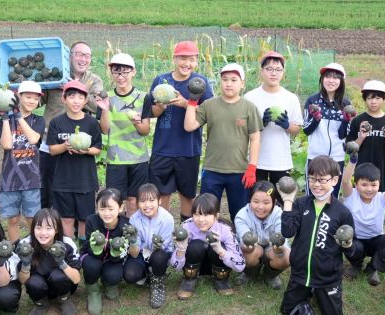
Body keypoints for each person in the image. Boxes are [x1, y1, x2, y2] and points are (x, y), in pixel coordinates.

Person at [279, 156, 358, 315]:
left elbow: (354, 252)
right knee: (286, 311)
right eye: (312, 179)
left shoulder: (342, 212)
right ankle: (307, 292)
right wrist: (287, 201)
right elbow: (287, 232)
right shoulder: (301, 204)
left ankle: (319, 293)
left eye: (322, 180)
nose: (316, 184)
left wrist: (348, 245)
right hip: (300, 274)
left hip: (327, 278)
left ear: (335, 180)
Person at [145, 40, 214, 223]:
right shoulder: (161, 81)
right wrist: (160, 106)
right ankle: (164, 232)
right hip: (163, 148)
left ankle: (186, 230)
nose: (187, 63)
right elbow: (152, 112)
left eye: (191, 59)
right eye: (183, 58)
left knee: (187, 194)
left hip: (189, 149)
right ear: (174, 59)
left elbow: (208, 113)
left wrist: (186, 103)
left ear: (197, 61)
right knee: (162, 194)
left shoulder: (201, 83)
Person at [184, 63, 262, 220]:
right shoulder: (209, 105)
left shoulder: (249, 108)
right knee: (207, 212)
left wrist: (252, 168)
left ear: (242, 84)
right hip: (212, 170)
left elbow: (255, 138)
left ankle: (239, 243)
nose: (228, 83)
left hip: (239, 171)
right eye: (225, 79)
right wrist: (192, 101)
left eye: (234, 80)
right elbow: (189, 126)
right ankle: (208, 243)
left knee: (240, 215)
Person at [40, 41, 104, 209]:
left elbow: (99, 107)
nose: (83, 59)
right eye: (79, 54)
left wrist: (76, 88)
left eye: (87, 56)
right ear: (70, 56)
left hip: (79, 142)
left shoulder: (94, 80)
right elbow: (38, 100)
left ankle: (75, 227)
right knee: (48, 187)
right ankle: (49, 227)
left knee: (76, 188)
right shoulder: (56, 76)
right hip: (51, 140)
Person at [46, 80, 103, 242]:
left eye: (80, 97)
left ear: (85, 101)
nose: (76, 101)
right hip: (63, 180)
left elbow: (97, 149)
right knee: (67, 218)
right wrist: (65, 146)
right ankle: (69, 248)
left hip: (85, 180)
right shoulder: (57, 122)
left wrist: (86, 150)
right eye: (72, 97)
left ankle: (84, 247)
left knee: (85, 218)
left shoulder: (91, 123)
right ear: (64, 99)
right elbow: (52, 150)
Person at [340, 147, 385, 284]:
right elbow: (345, 181)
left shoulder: (382, 198)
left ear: (379, 184)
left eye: (373, 185)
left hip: (375, 240)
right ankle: (356, 265)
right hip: (356, 239)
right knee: (348, 243)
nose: (369, 189)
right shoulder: (351, 196)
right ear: (356, 185)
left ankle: (372, 268)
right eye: (364, 185)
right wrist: (353, 159)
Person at [244, 51, 303, 204]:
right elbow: (243, 129)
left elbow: (296, 129)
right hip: (257, 161)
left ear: (283, 72)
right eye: (269, 69)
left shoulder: (290, 98)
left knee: (283, 201)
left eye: (278, 70)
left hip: (281, 160)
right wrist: (260, 124)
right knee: (257, 201)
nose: (273, 73)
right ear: (261, 71)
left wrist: (286, 125)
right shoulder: (250, 97)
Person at [98, 53, 152, 216]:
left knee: (134, 200)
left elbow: (145, 130)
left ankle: (132, 234)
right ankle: (118, 237)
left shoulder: (144, 97)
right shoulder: (106, 97)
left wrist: (136, 122)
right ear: (112, 74)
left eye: (125, 72)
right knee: (115, 200)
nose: (120, 77)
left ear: (133, 72)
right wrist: (105, 109)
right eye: (116, 72)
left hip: (138, 158)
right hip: (116, 159)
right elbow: (104, 129)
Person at [0, 80, 45, 241]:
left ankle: (34, 248)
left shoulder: (38, 120)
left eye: (35, 98)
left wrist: (18, 116)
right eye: (27, 97)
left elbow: (33, 139)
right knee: (13, 219)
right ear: (18, 96)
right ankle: (15, 248)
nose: (31, 101)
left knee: (32, 219)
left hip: (31, 178)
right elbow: (7, 145)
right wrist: (5, 118)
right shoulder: (5, 121)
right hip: (9, 178)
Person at [171, 193, 245, 299]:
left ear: (216, 215)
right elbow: (175, 266)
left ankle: (221, 279)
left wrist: (221, 251)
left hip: (216, 263)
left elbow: (240, 265)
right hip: (194, 265)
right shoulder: (186, 227)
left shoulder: (225, 229)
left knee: (218, 245)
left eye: (206, 215)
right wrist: (181, 249)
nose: (201, 219)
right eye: (196, 214)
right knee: (195, 245)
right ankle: (189, 279)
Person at [17, 208, 82, 315]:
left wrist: (62, 263)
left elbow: (76, 279)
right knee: (33, 282)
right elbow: (23, 281)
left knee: (58, 276)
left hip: (61, 283)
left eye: (48, 228)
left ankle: (63, 300)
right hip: (38, 285)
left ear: (56, 229)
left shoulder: (67, 244)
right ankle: (40, 304)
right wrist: (26, 264)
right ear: (33, 229)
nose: (43, 233)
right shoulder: (25, 245)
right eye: (38, 227)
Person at [302, 63, 355, 198]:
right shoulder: (312, 100)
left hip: (337, 157)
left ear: (341, 81)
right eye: (327, 77)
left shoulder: (345, 104)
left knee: (333, 196)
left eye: (336, 78)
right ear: (322, 79)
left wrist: (346, 120)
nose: (331, 80)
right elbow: (306, 130)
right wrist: (316, 119)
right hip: (315, 157)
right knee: (312, 195)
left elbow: (343, 134)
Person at [82, 188, 130, 315]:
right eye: (102, 209)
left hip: (112, 260)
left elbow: (124, 252)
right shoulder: (91, 221)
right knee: (91, 265)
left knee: (114, 276)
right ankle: (93, 290)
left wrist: (115, 253)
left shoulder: (126, 225)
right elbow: (86, 245)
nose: (106, 213)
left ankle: (108, 282)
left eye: (111, 209)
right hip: (93, 257)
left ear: (120, 208)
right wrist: (96, 249)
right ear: (97, 208)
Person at [234, 181, 289, 289]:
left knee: (286, 257)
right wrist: (248, 247)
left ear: (274, 202)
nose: (260, 207)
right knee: (249, 255)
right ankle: (250, 273)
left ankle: (270, 276)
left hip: (272, 247)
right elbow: (244, 243)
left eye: (266, 202)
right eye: (256, 201)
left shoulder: (280, 215)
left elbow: (282, 241)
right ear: (249, 201)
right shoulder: (242, 216)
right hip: (253, 247)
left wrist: (278, 248)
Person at [127, 183, 175, 308]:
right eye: (142, 201)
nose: (147, 205)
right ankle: (147, 274)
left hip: (160, 253)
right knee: (130, 275)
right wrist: (133, 241)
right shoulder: (133, 219)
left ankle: (158, 284)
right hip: (141, 253)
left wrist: (157, 246)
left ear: (159, 201)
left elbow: (164, 247)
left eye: (152, 200)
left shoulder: (167, 219)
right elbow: (134, 253)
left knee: (159, 257)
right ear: (137, 203)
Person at [346, 80, 385, 191]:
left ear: (384, 99)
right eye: (369, 98)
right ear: (365, 99)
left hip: (381, 170)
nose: (373, 102)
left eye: (377, 98)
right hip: (361, 169)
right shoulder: (358, 121)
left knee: (380, 201)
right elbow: (350, 149)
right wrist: (361, 137)